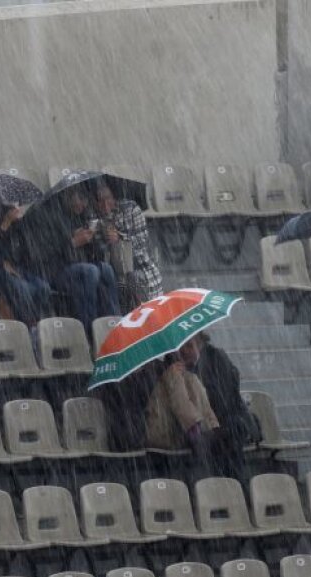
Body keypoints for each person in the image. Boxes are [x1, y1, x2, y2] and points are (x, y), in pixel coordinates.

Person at [145, 338, 242, 479]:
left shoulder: (195, 373)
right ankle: (198, 437)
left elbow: (204, 405)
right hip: (166, 432)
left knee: (231, 435)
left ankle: (232, 482)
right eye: (185, 346)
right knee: (176, 377)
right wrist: (198, 433)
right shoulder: (169, 371)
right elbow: (180, 404)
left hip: (184, 432)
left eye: (192, 346)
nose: (187, 351)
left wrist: (214, 429)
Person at [30, 184, 121, 330]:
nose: (83, 204)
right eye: (80, 199)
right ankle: (89, 330)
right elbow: (41, 254)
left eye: (86, 200)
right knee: (90, 271)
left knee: (106, 269)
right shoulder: (47, 216)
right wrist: (72, 242)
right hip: (54, 271)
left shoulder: (82, 215)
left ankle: (114, 326)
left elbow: (94, 254)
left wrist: (100, 239)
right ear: (68, 197)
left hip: (80, 266)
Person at [191, 333, 260, 460]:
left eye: (189, 345)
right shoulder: (188, 363)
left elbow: (222, 399)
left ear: (198, 340)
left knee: (226, 435)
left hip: (228, 423)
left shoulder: (215, 358)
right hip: (221, 425)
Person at [92, 179, 161, 305]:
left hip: (139, 264)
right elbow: (99, 251)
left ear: (114, 197)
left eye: (108, 199)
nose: (105, 204)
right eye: (100, 201)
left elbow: (142, 240)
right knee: (112, 285)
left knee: (134, 280)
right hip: (114, 271)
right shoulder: (95, 219)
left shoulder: (131, 209)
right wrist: (106, 241)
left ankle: (143, 308)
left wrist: (121, 238)